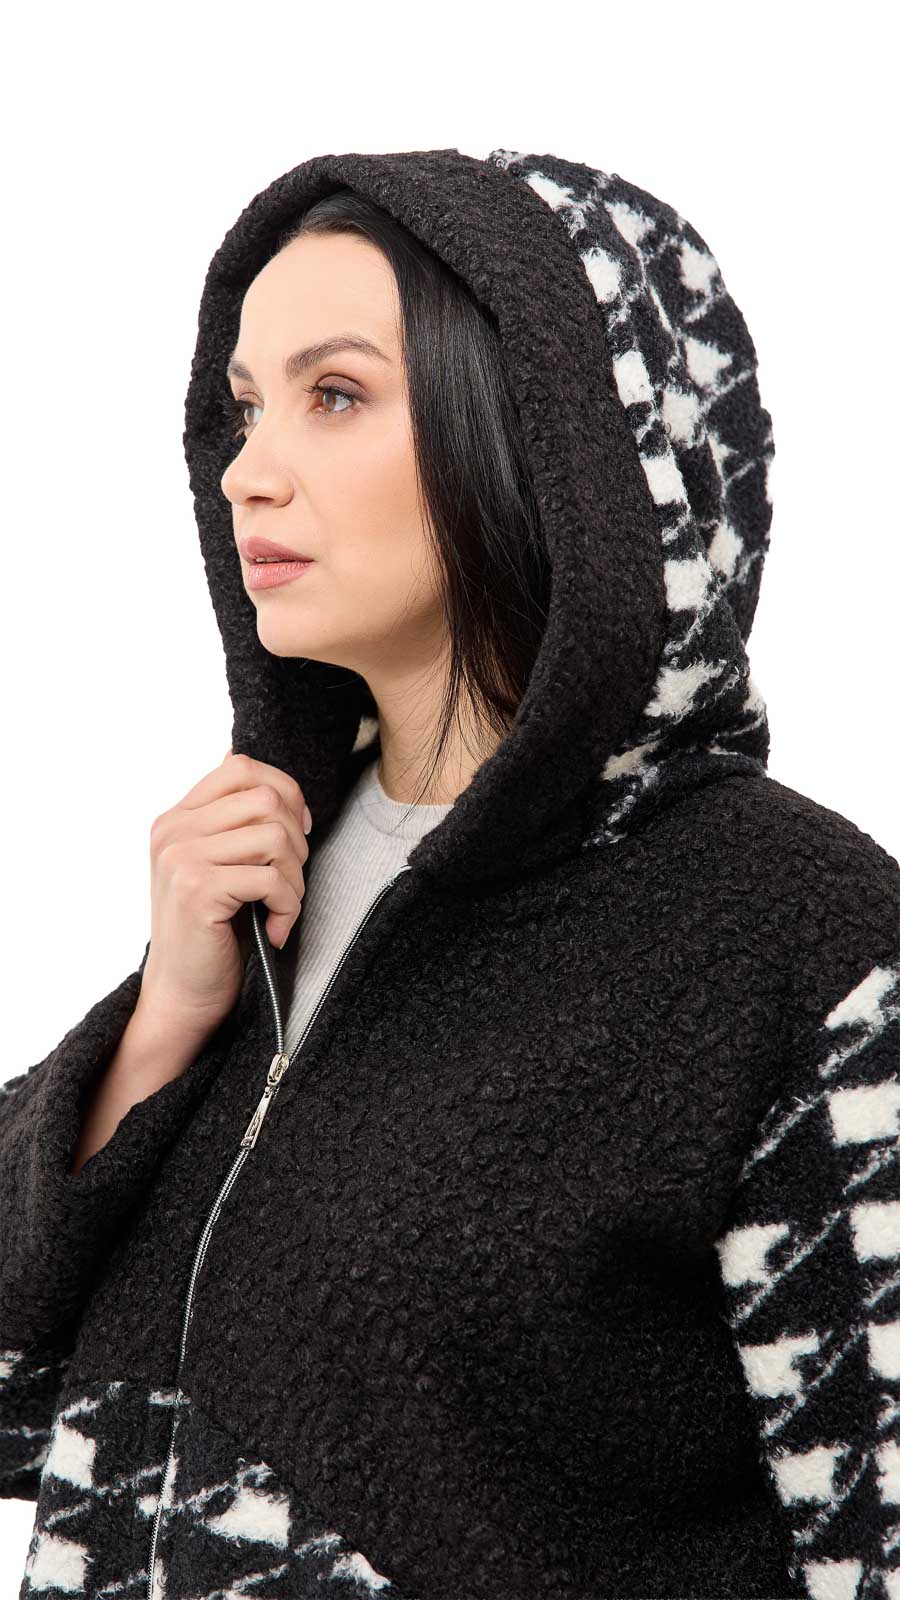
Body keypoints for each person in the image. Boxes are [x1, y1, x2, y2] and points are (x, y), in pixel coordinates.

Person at [1, 146, 897, 1600]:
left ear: (548, 441)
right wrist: (161, 1029)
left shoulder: (793, 934)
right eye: (244, 406)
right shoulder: (265, 886)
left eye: (335, 396)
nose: (247, 470)